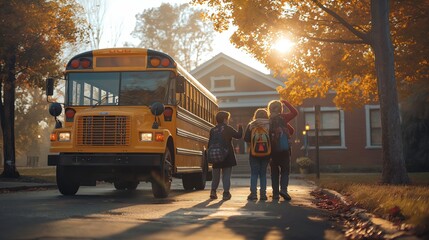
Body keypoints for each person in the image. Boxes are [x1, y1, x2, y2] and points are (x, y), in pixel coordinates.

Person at [268, 99, 298, 201]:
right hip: (284, 149)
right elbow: (295, 112)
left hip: (272, 151)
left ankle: (275, 194)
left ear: (270, 109)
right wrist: (286, 102)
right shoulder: (283, 118)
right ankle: (284, 190)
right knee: (285, 171)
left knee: (274, 172)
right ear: (281, 109)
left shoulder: (268, 120)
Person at [209, 111, 243, 200]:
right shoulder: (228, 128)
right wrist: (240, 127)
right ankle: (226, 193)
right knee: (226, 175)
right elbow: (238, 136)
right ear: (224, 119)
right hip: (227, 156)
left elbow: (209, 144)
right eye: (227, 119)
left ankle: (213, 191)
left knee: (215, 176)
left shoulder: (213, 130)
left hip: (215, 155)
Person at [244, 108, 270, 201]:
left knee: (254, 173)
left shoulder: (251, 125)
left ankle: (253, 194)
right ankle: (263, 194)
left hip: (254, 153)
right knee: (263, 174)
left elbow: (246, 138)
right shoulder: (269, 124)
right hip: (266, 153)